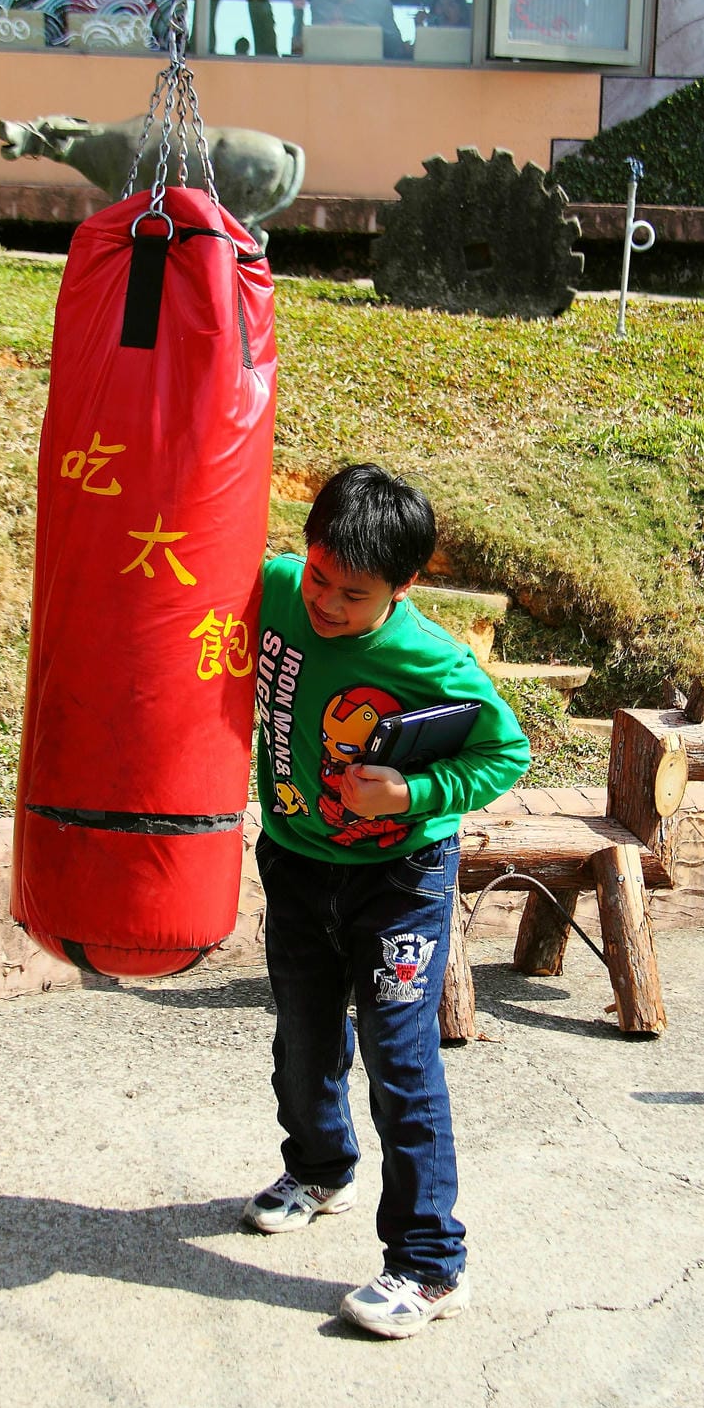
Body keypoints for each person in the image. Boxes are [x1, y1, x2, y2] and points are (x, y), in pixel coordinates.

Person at [244, 464, 531, 1337]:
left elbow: (504, 754)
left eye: (353, 593)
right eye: (320, 573)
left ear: (404, 588)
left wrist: (406, 795)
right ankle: (323, 1168)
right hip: (295, 859)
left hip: (399, 881)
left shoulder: (429, 657)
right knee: (302, 1036)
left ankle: (430, 1265)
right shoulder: (280, 587)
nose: (325, 601)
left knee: (400, 1062)